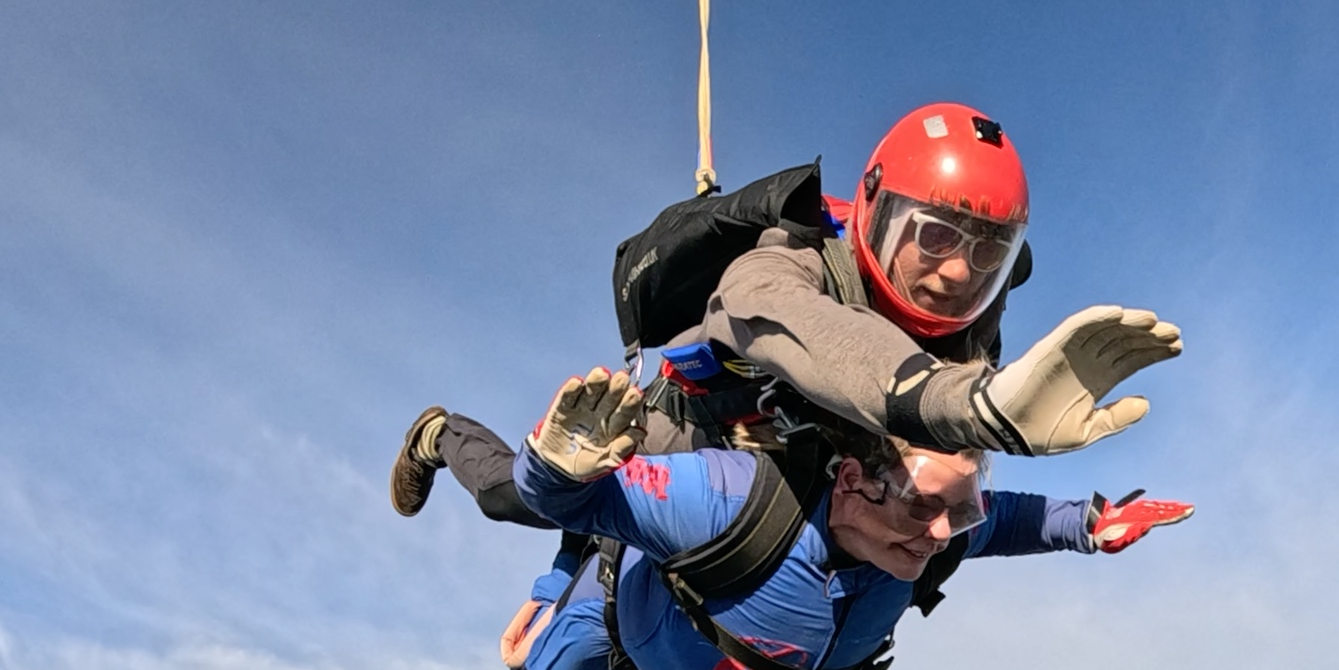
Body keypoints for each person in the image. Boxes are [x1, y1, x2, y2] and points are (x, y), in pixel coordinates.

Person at [391, 102, 1181, 520]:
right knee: (525, 499)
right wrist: (962, 404)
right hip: (682, 431)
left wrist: (1083, 519)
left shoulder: (973, 329)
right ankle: (439, 436)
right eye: (937, 235)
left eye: (987, 254)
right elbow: (791, 321)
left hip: (805, 461)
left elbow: (956, 496)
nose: (955, 272)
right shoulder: (787, 260)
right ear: (877, 213)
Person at [496, 368, 1193, 670]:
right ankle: (448, 438)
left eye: (960, 508)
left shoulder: (929, 535)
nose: (943, 533)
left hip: (707, 643)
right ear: (854, 481)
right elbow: (568, 498)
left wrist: (1090, 523)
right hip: (630, 616)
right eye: (926, 505)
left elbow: (1006, 519)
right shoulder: (721, 501)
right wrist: (553, 465)